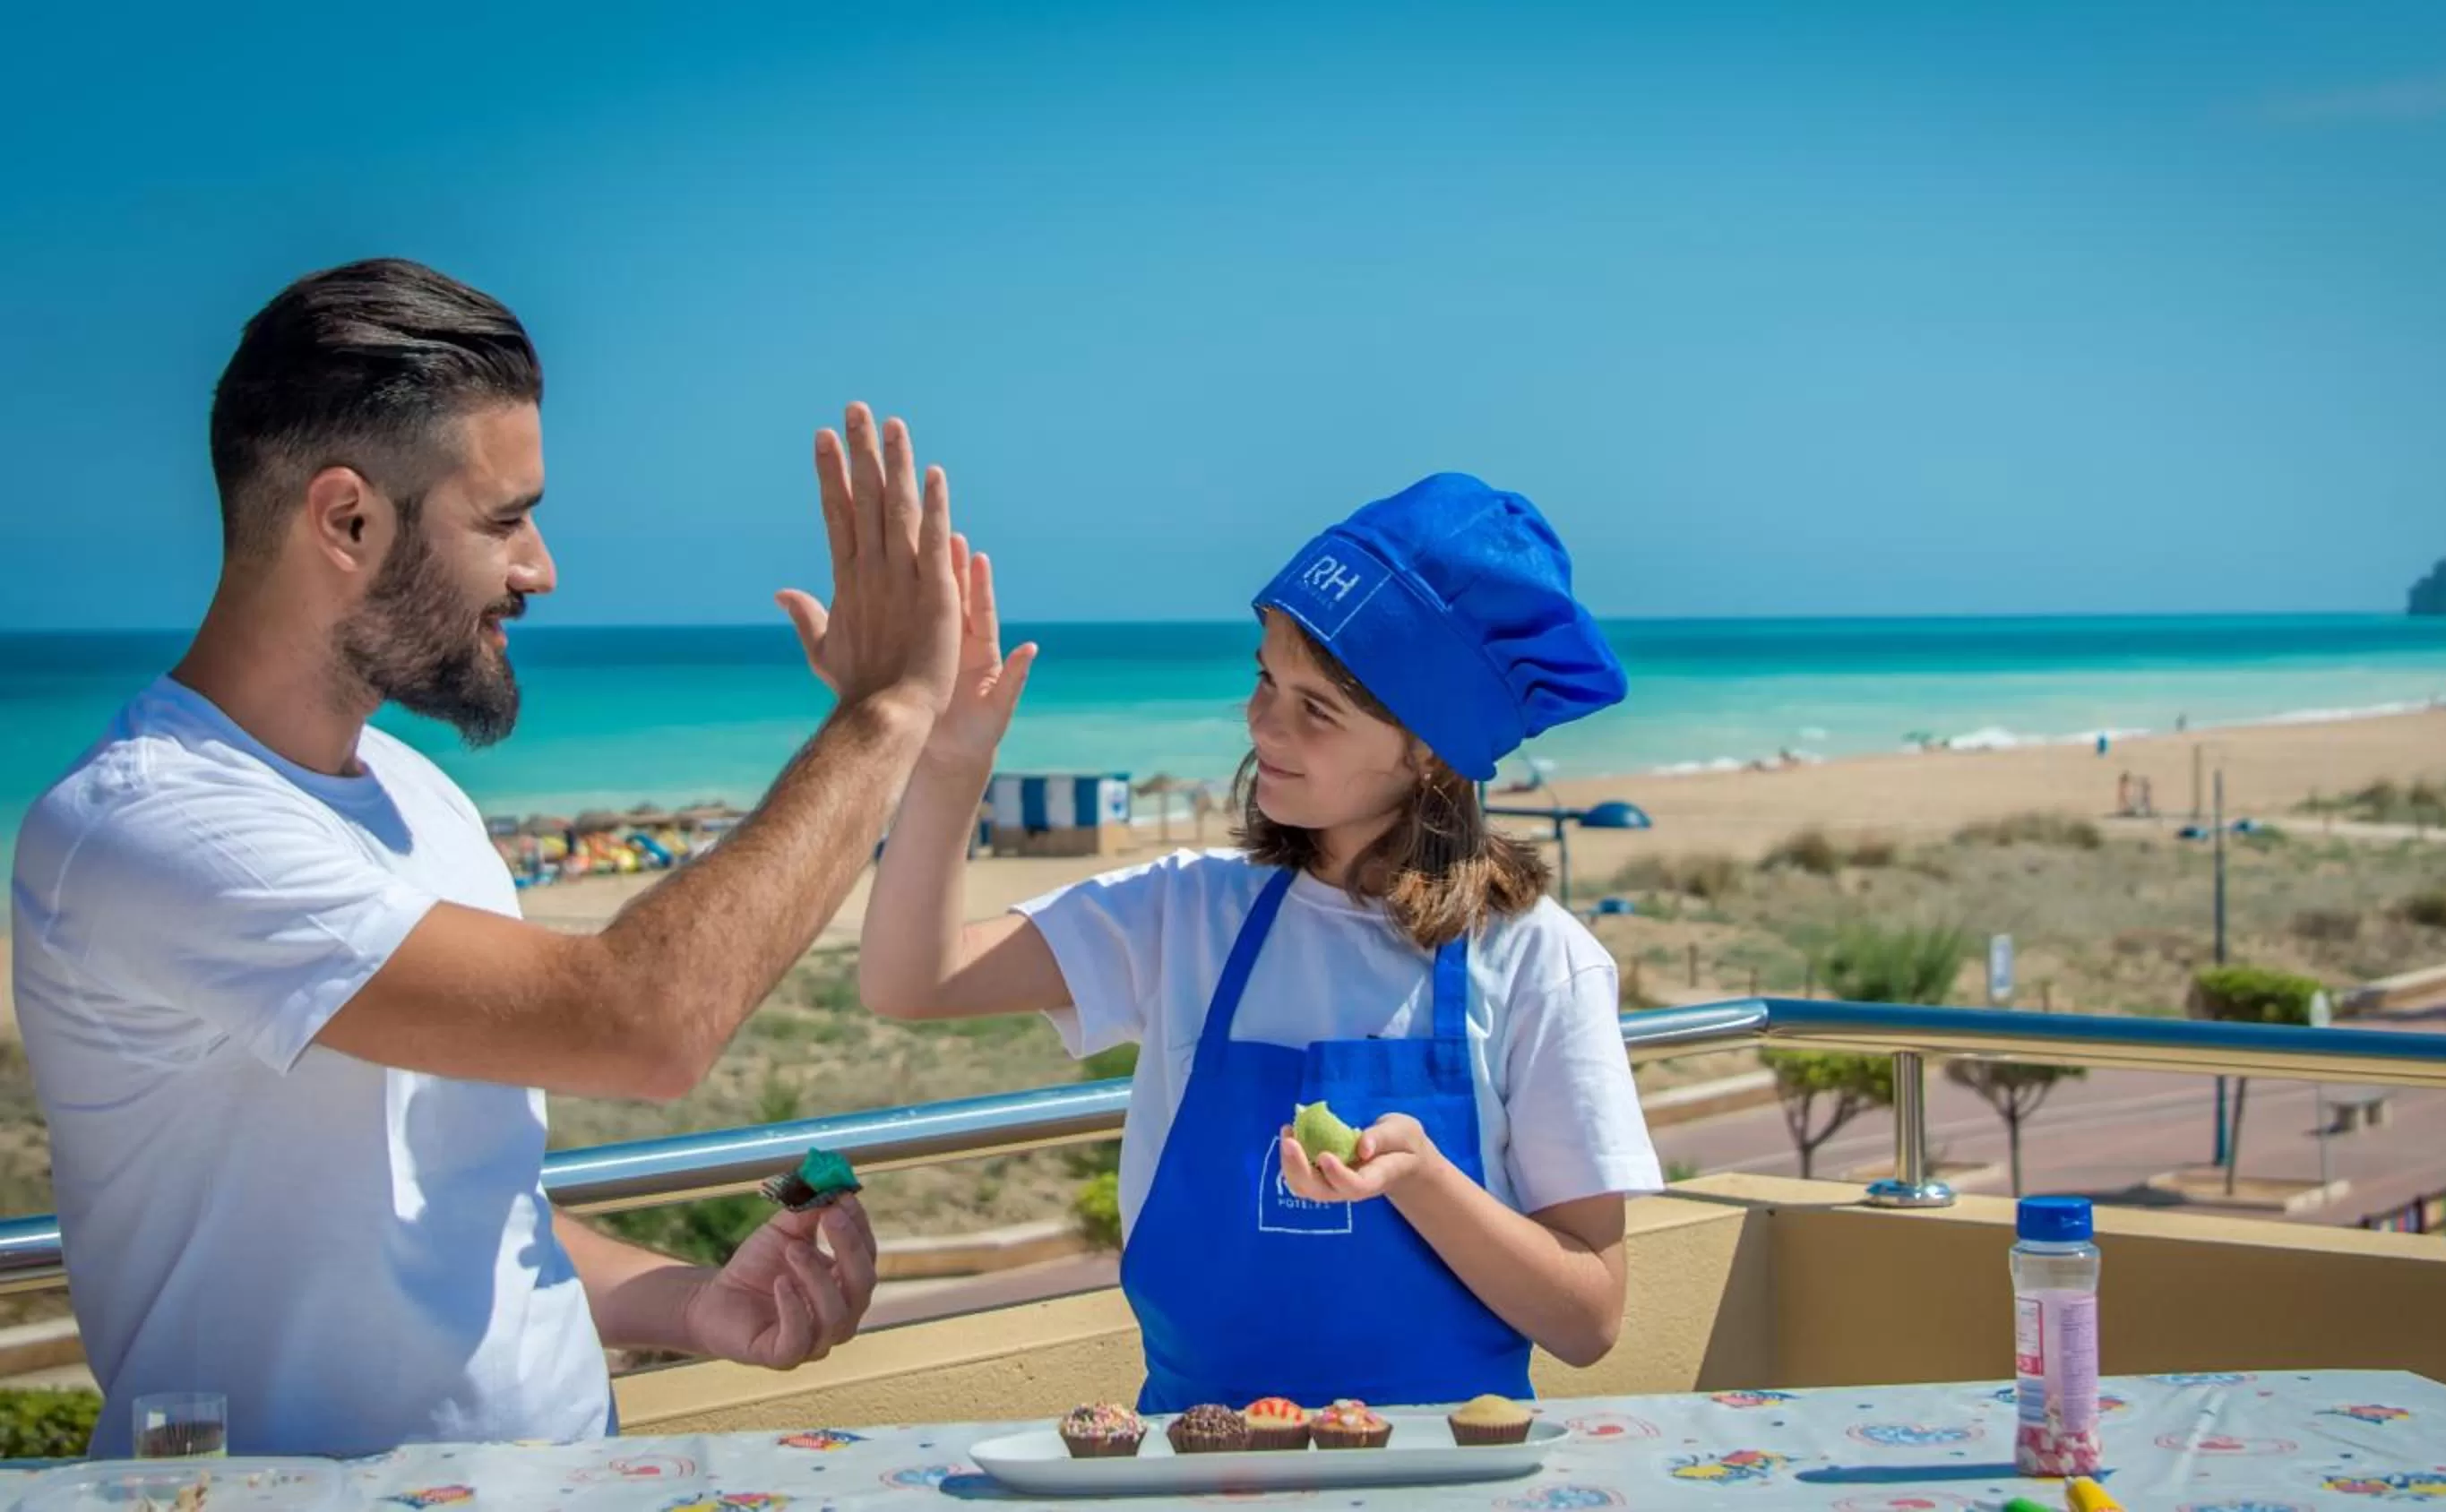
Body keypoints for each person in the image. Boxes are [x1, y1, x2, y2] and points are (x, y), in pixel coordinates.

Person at [9, 259, 970, 1456]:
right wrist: (885, 714)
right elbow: (643, 1023)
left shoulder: (422, 800)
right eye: (506, 519)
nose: (541, 569)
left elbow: (463, 1200)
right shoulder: (147, 827)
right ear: (346, 519)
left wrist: (690, 1304)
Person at [855, 473, 1663, 1411]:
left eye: (1316, 708)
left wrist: (1424, 1181)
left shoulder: (1537, 961)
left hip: (1449, 1474)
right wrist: (952, 759)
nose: (1262, 720)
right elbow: (912, 978)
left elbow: (1587, 1318)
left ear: (1435, 748)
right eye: (1265, 678)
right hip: (1191, 1465)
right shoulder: (1185, 911)